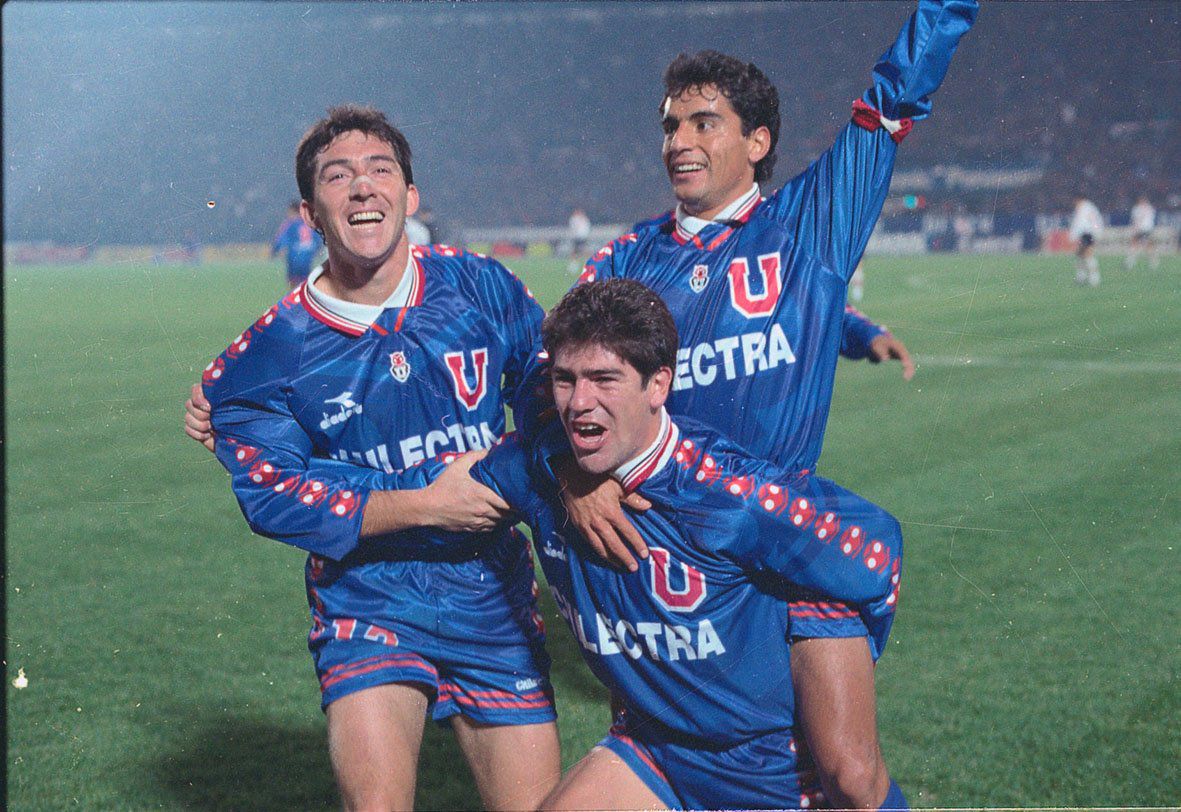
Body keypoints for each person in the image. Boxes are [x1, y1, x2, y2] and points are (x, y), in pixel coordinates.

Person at [532, 2, 976, 806]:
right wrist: (568, 469)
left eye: (705, 123)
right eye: (670, 125)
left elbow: (892, 99)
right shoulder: (627, 259)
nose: (679, 142)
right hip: (678, 554)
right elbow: (550, 378)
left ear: (758, 142)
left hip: (783, 547)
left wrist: (946, 9)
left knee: (843, 770)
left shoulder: (810, 224)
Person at [367, 279, 907, 810]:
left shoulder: (727, 497)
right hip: (656, 752)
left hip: (772, 765)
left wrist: (819, 640)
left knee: (854, 777)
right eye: (565, 379)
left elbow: (876, 549)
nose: (579, 402)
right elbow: (424, 488)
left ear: (658, 386)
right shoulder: (537, 471)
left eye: (605, 379)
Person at [199, 105, 559, 810]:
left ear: (410, 196)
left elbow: (549, 400)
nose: (362, 188)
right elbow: (275, 496)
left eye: (379, 170)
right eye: (339, 177)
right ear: (310, 211)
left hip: (491, 590)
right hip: (369, 596)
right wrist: (427, 503)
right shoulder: (272, 351)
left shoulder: (479, 288)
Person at [271, 200, 325, 289]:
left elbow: (280, 239)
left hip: (294, 257)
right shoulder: (309, 223)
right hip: (307, 258)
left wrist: (274, 251)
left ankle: (295, 302)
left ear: (293, 211)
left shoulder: (289, 224)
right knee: (305, 284)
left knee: (293, 284)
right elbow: (318, 239)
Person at [1069, 195, 1103, 287]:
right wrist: (1097, 231)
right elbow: (1097, 221)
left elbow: (1079, 222)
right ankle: (1082, 276)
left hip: (1086, 233)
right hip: (1090, 232)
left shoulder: (1083, 208)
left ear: (1079, 200)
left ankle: (1094, 278)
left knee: (1087, 255)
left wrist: (1073, 235)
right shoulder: (1091, 207)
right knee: (1080, 254)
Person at [1126, 195, 1158, 270]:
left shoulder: (1137, 209)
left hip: (1141, 229)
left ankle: (1130, 262)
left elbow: (1136, 220)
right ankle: (1153, 262)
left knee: (1136, 245)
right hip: (1147, 229)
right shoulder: (1150, 208)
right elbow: (1152, 218)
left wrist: (1135, 228)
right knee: (1147, 246)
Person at [567, 207, 593, 274]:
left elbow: (587, 228)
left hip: (583, 237)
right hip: (577, 237)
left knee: (584, 251)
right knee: (575, 251)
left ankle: (588, 265)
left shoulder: (584, 219)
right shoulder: (574, 219)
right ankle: (574, 265)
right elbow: (573, 228)